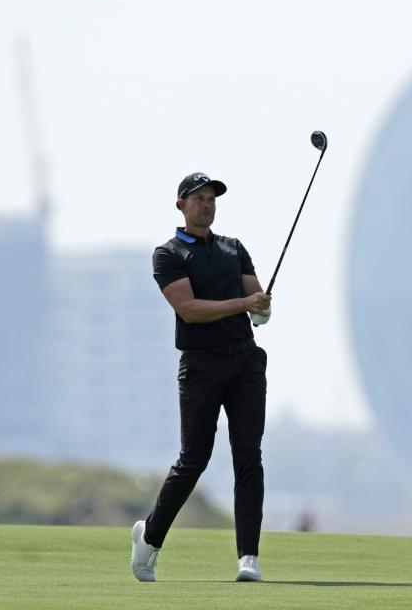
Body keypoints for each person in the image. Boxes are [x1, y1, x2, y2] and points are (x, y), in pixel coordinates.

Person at [131, 172, 272, 583]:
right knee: (194, 459)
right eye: (198, 198)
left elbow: (257, 307)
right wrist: (246, 302)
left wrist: (261, 307)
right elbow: (189, 310)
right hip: (201, 366)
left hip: (245, 362)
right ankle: (150, 538)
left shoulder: (234, 249)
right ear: (181, 205)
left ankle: (249, 557)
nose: (206, 204)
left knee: (248, 456)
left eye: (211, 199)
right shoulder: (169, 254)